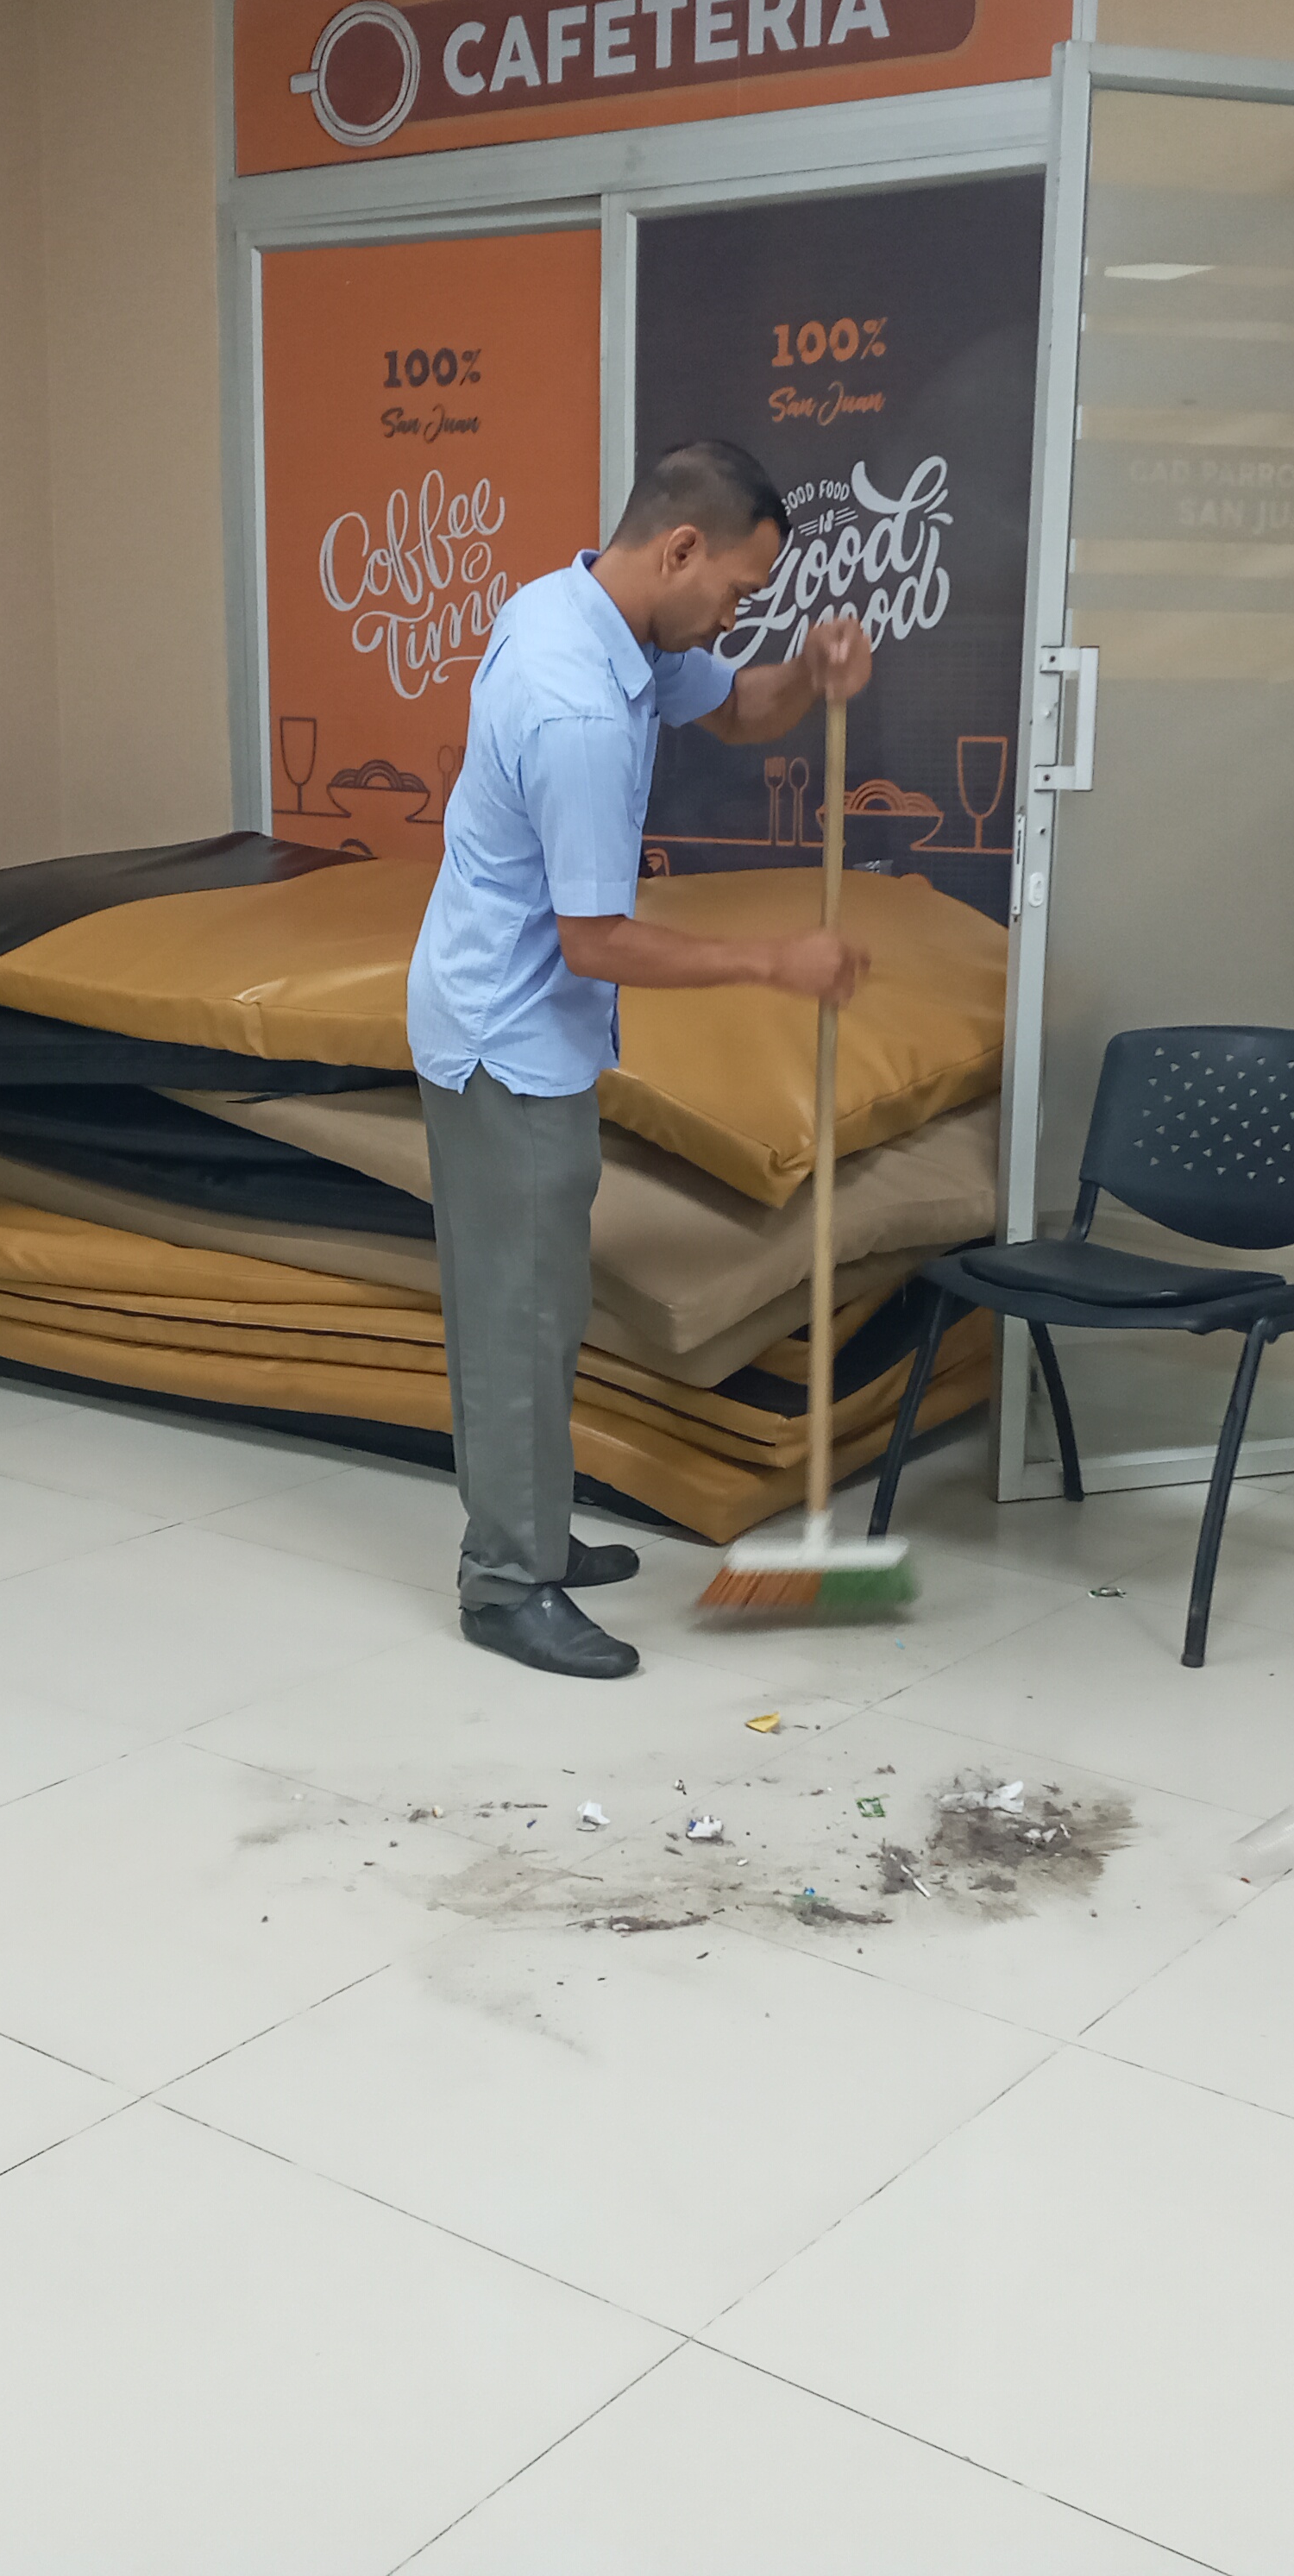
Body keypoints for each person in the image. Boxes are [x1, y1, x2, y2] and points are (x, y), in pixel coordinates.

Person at [410, 437, 874, 1681]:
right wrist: (776, 961)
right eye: (737, 591)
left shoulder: (602, 615)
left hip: (527, 1018)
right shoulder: (574, 704)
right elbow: (597, 940)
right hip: (504, 1036)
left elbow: (738, 707)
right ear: (679, 550)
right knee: (516, 1316)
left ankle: (532, 1528)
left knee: (541, 1301)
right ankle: (507, 1583)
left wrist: (810, 671)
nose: (737, 617)